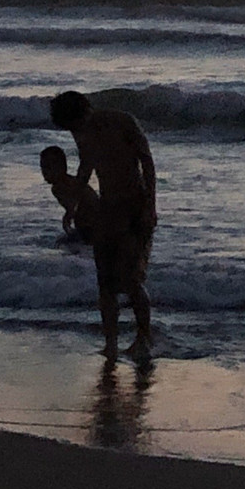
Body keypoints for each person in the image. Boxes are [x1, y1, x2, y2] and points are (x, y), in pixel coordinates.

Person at [50, 91, 156, 360]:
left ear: (84, 112)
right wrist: (72, 207)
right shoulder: (81, 132)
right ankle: (111, 343)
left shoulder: (122, 121)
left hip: (134, 205)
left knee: (131, 279)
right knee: (105, 283)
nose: (75, 132)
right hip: (107, 209)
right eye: (71, 129)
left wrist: (150, 206)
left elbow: (146, 161)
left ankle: (144, 338)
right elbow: (86, 168)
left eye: (75, 125)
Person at [40, 145, 99, 244]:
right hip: (93, 221)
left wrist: (67, 218)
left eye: (48, 168)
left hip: (93, 223)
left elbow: (74, 205)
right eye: (42, 168)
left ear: (61, 168)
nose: (44, 172)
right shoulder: (66, 183)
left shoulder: (61, 187)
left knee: (62, 244)